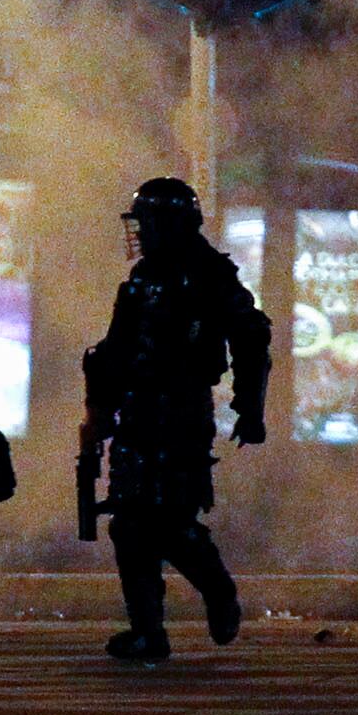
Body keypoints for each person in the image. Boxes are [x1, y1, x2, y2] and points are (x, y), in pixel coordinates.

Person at [80, 177, 272, 661]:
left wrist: (250, 407)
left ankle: (217, 590)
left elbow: (252, 337)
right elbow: (117, 350)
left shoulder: (210, 273)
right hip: (137, 410)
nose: (140, 232)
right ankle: (147, 631)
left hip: (183, 410)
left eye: (147, 222)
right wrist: (99, 411)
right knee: (129, 522)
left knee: (169, 519)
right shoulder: (143, 276)